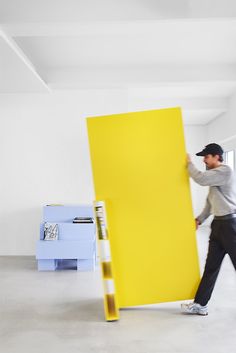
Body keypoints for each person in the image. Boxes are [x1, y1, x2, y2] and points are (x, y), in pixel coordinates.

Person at [181, 143, 236, 316]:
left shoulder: (225, 171)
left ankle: (200, 303)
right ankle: (200, 304)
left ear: (216, 156)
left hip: (230, 225)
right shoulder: (215, 177)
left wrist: (189, 164)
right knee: (211, 267)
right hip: (218, 225)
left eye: (206, 156)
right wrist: (200, 219)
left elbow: (200, 179)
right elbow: (210, 203)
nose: (204, 160)